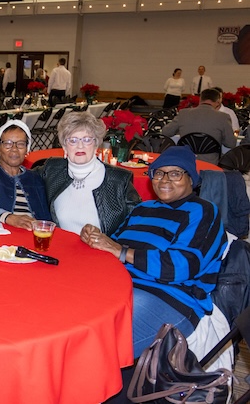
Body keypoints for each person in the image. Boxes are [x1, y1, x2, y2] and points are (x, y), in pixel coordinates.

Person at [80, 146, 227, 357]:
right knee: (64, 321)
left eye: (175, 173)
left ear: (191, 179)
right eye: (158, 173)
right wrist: (95, 239)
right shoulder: (142, 209)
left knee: (93, 348)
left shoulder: (202, 210)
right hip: (117, 287)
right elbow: (113, 246)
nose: (165, 180)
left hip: (168, 298)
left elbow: (179, 267)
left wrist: (120, 251)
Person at [37, 111, 140, 236]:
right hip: (60, 251)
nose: (80, 146)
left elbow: (137, 224)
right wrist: (6, 216)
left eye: (87, 140)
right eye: (73, 140)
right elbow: (18, 178)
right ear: (64, 146)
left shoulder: (119, 180)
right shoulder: (52, 170)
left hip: (103, 253)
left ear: (96, 144)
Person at [0, 120, 51, 230]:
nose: (14, 149)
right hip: (0, 238)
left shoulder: (35, 179)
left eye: (20, 144)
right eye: (8, 144)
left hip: (32, 237)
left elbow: (46, 217)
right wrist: (8, 217)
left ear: (27, 150)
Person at [162, 88, 235, 164]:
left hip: (185, 160)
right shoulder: (223, 117)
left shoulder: (184, 113)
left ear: (200, 99)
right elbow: (230, 144)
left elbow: (166, 132)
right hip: (211, 163)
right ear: (218, 102)